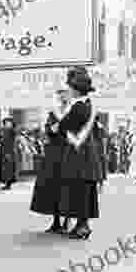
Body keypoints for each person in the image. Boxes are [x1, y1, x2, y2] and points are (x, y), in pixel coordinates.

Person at [57, 67, 101, 240]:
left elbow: (63, 126)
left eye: (69, 87)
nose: (68, 90)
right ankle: (82, 225)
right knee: (85, 192)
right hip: (86, 154)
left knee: (80, 191)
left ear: (75, 89)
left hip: (79, 156)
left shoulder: (79, 107)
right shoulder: (87, 105)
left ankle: (82, 226)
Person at [30, 89, 71, 234]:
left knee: (68, 187)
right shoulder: (53, 114)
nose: (62, 100)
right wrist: (53, 128)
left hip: (69, 152)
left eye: (64, 97)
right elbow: (49, 130)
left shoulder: (74, 112)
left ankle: (66, 221)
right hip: (54, 153)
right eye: (60, 97)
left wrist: (58, 127)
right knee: (53, 186)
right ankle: (56, 221)